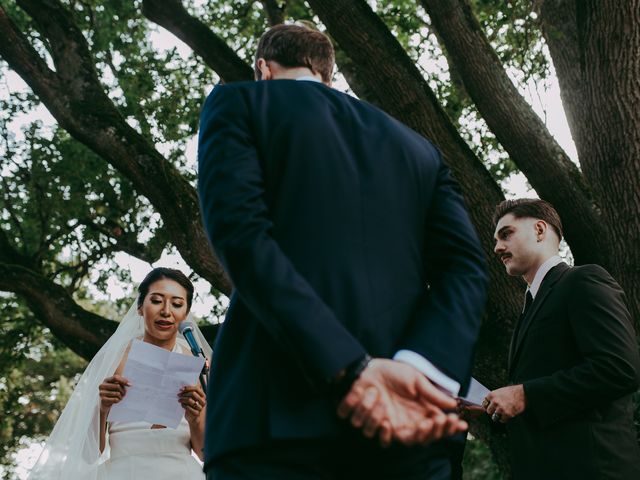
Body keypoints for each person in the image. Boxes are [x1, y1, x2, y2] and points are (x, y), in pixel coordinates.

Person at [197, 23, 488, 479]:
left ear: (263, 70)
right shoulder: (420, 150)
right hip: (409, 435)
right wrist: (419, 370)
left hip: (273, 419)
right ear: (327, 74)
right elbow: (465, 270)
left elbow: (242, 234)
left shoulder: (240, 103)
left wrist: (349, 367)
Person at [483, 198, 640, 479]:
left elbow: (620, 369)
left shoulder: (583, 281)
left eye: (506, 234)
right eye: (496, 240)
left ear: (540, 230)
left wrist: (525, 394)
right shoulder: (528, 309)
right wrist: (493, 406)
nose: (497, 248)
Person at [28, 267, 212, 480]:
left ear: (186, 313)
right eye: (156, 300)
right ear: (140, 307)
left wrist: (194, 418)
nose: (166, 311)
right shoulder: (115, 358)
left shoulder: (197, 362)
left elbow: (204, 453)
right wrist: (103, 409)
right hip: (123, 471)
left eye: (177, 304)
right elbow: (89, 454)